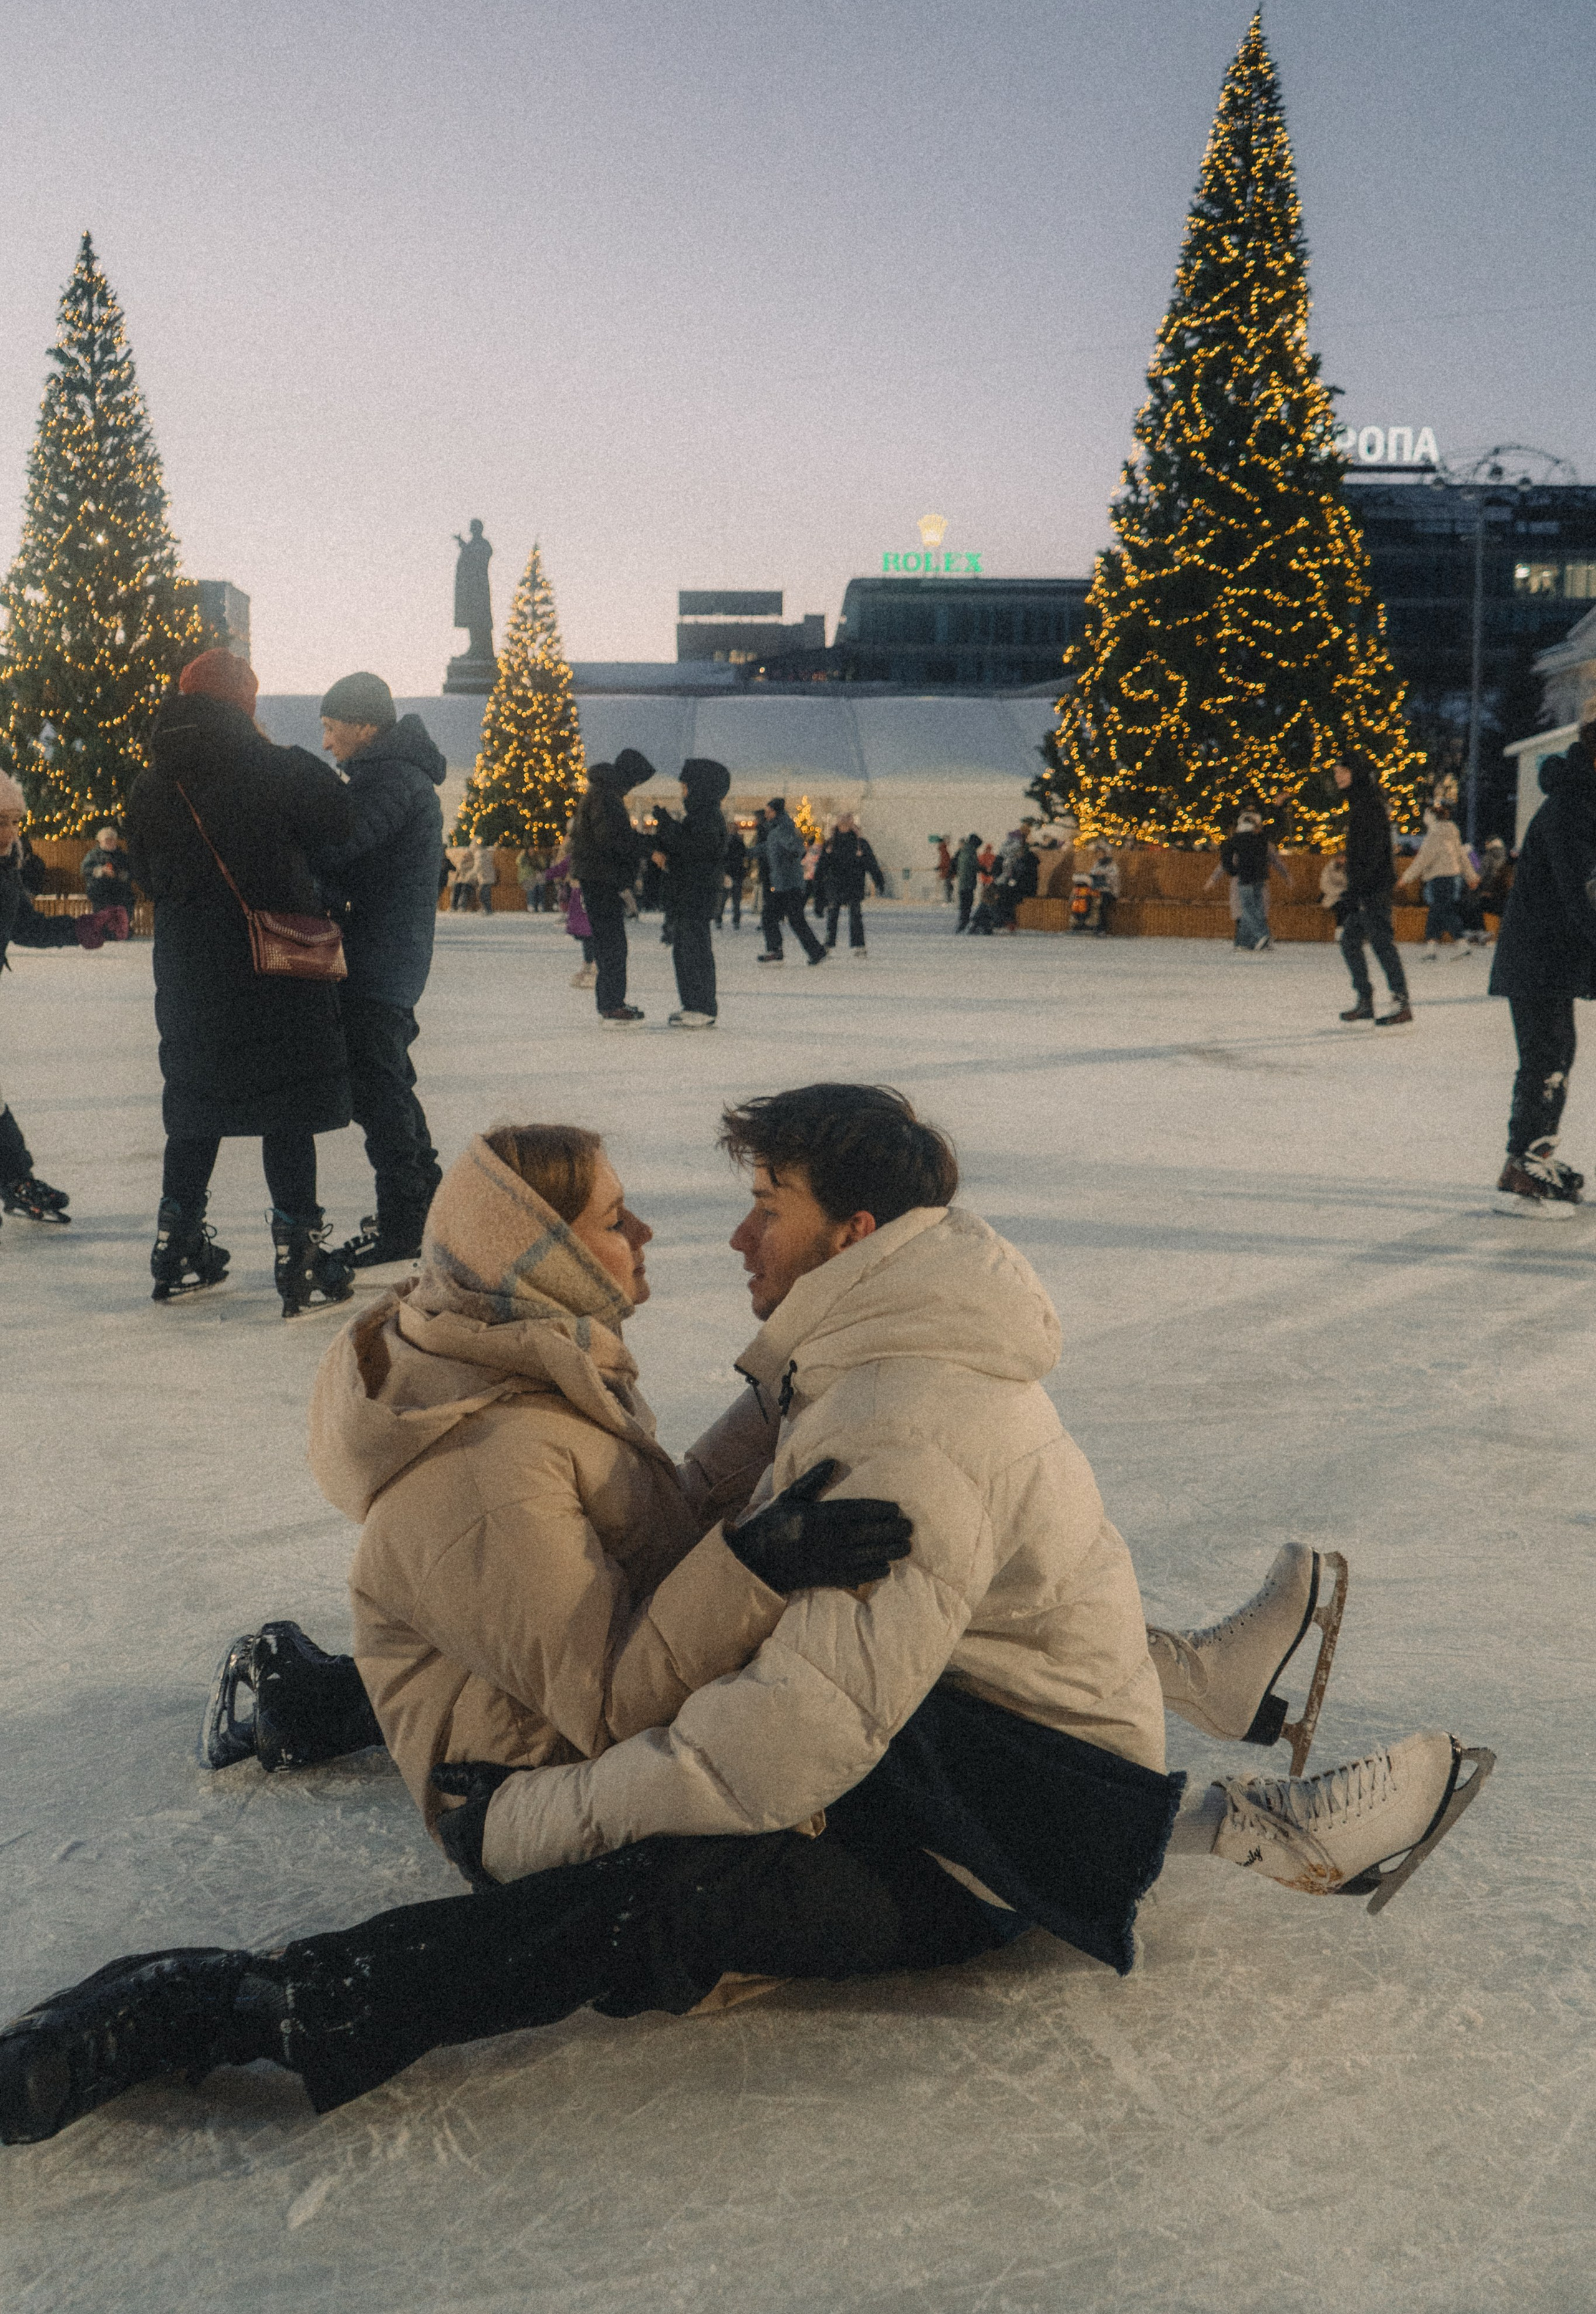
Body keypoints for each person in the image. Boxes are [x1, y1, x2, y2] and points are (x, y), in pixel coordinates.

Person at [0, 1088, 1493, 2141]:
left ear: (846, 1233)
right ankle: (1215, 1754)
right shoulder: (868, 1350)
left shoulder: (878, 1405)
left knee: (668, 1888)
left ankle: (255, 2007)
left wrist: (543, 1815)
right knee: (786, 1691)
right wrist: (761, 1481)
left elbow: (759, 1741)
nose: (712, 1233)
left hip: (989, 1851)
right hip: (959, 1772)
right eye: (626, 1212)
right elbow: (684, 1575)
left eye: (758, 1203)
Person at [123, 647, 357, 1317]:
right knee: (286, 1103)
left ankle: (177, 1246)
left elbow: (145, 874)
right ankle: (301, 1257)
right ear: (246, 706)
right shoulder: (274, 766)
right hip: (274, 962)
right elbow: (338, 824)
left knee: (196, 1099)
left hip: (190, 968)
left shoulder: (150, 784)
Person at [314, 674, 447, 1271]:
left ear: (364, 725)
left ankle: (404, 1222)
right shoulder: (390, 775)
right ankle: (428, 1205)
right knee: (387, 1081)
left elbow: (342, 843)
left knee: (379, 1087)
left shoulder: (389, 778)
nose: (326, 742)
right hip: (388, 953)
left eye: (331, 727)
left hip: (379, 958)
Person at [0, 771, 128, 1231]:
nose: (9, 832)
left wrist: (84, 926)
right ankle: (15, 1176)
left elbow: (27, 927)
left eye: (14, 821)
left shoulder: (7, 869)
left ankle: (16, 1178)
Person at [1486, 720, 1596, 1215]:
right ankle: (1524, 1162)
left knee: (1555, 1054)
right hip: (1538, 956)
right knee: (1548, 1057)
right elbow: (1586, 896)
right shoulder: (1574, 809)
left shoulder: (1582, 805)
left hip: (1550, 955)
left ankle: (1534, 1154)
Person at [570, 749, 655, 1022]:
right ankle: (611, 1004)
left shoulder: (602, 794)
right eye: (637, 781)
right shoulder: (606, 797)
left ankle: (611, 1002)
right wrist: (646, 847)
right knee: (613, 945)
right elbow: (612, 839)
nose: (636, 787)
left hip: (599, 877)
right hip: (601, 878)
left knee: (611, 943)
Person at [1330, 757, 1411, 1026]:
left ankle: (1402, 1003)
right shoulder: (1360, 804)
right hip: (1365, 887)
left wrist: (1360, 889)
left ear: (1358, 773)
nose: (1338, 777)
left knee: (1380, 942)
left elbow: (1375, 852)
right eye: (1336, 773)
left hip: (1373, 887)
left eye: (1343, 771)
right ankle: (1365, 1000)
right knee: (1350, 941)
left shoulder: (1370, 806)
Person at [652, 759, 731, 1029]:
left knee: (693, 950)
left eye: (686, 787)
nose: (683, 793)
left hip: (696, 894)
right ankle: (694, 1004)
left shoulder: (707, 818)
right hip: (691, 892)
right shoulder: (702, 816)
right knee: (686, 950)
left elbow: (694, 851)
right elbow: (689, 853)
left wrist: (667, 826)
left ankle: (701, 1006)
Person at [757, 797, 827, 967]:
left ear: (775, 812)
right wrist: (741, 851)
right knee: (789, 918)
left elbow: (797, 847)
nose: (765, 814)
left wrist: (793, 855)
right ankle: (815, 951)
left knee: (774, 917)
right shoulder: (777, 829)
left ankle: (778, 950)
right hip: (785, 883)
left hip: (788, 884)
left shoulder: (782, 829)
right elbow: (767, 848)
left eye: (768, 811)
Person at [1402, 802, 1473, 961]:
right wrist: (1471, 876)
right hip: (1453, 877)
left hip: (1438, 878)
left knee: (1443, 911)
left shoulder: (1434, 834)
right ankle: (1431, 947)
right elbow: (1461, 855)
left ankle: (1462, 943)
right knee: (1437, 911)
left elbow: (1423, 859)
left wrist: (1406, 878)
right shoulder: (1452, 831)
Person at [818, 812, 885, 957]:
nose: (844, 826)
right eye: (842, 823)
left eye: (847, 823)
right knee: (833, 914)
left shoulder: (859, 843)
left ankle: (859, 945)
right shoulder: (831, 843)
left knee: (855, 915)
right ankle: (829, 943)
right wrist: (818, 885)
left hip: (854, 884)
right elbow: (822, 866)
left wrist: (878, 880)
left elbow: (871, 863)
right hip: (836, 884)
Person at [1214, 812, 1273, 951]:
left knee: (1247, 910)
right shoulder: (1261, 838)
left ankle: (1262, 935)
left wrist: (1234, 872)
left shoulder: (1236, 839)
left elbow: (1226, 859)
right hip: (1260, 878)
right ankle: (1242, 942)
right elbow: (1267, 857)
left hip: (1245, 878)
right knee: (1257, 908)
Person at [544, 840, 595, 986]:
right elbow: (559, 869)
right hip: (578, 899)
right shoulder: (573, 858)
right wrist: (541, 877)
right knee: (586, 936)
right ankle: (588, 965)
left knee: (592, 934)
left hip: (591, 897)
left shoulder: (595, 857)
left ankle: (596, 968)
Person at [80, 827, 135, 919]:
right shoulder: (93, 855)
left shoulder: (121, 855)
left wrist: (118, 874)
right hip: (100, 889)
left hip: (119, 889)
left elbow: (130, 872)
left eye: (112, 840)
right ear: (100, 841)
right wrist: (100, 871)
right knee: (101, 898)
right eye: (107, 840)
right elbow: (84, 870)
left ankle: (123, 926)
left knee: (127, 899)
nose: (110, 842)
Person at [1085, 844, 1120, 936]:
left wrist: (1104, 874)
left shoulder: (1112, 865)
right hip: (1098, 890)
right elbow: (1092, 873)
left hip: (1110, 891)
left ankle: (1102, 928)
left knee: (1102, 903)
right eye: (1098, 853)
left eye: (1101, 853)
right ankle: (1088, 923)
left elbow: (1115, 877)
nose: (1100, 855)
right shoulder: (1097, 864)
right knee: (1085, 898)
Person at [717, 825, 748, 930]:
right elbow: (744, 856)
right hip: (736, 873)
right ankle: (735, 920)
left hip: (728, 873)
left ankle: (719, 919)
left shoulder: (725, 842)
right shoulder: (739, 843)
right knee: (735, 899)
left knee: (724, 899)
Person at [953, 832, 981, 933]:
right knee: (967, 904)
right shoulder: (971, 852)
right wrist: (985, 870)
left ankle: (963, 923)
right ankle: (964, 924)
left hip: (963, 882)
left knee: (964, 904)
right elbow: (975, 865)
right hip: (968, 882)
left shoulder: (963, 850)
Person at [514, 847, 547, 913]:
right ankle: (531, 905)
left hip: (537, 878)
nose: (532, 851)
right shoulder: (524, 859)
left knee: (541, 886)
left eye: (533, 850)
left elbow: (543, 866)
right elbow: (518, 862)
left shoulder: (538, 858)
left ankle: (541, 905)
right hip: (527, 879)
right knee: (532, 886)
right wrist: (522, 853)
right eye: (530, 850)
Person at [935, 835, 953, 903]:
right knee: (948, 886)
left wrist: (939, 867)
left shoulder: (944, 852)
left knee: (947, 887)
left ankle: (948, 900)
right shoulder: (945, 851)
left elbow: (944, 862)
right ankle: (948, 899)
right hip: (948, 872)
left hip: (946, 872)